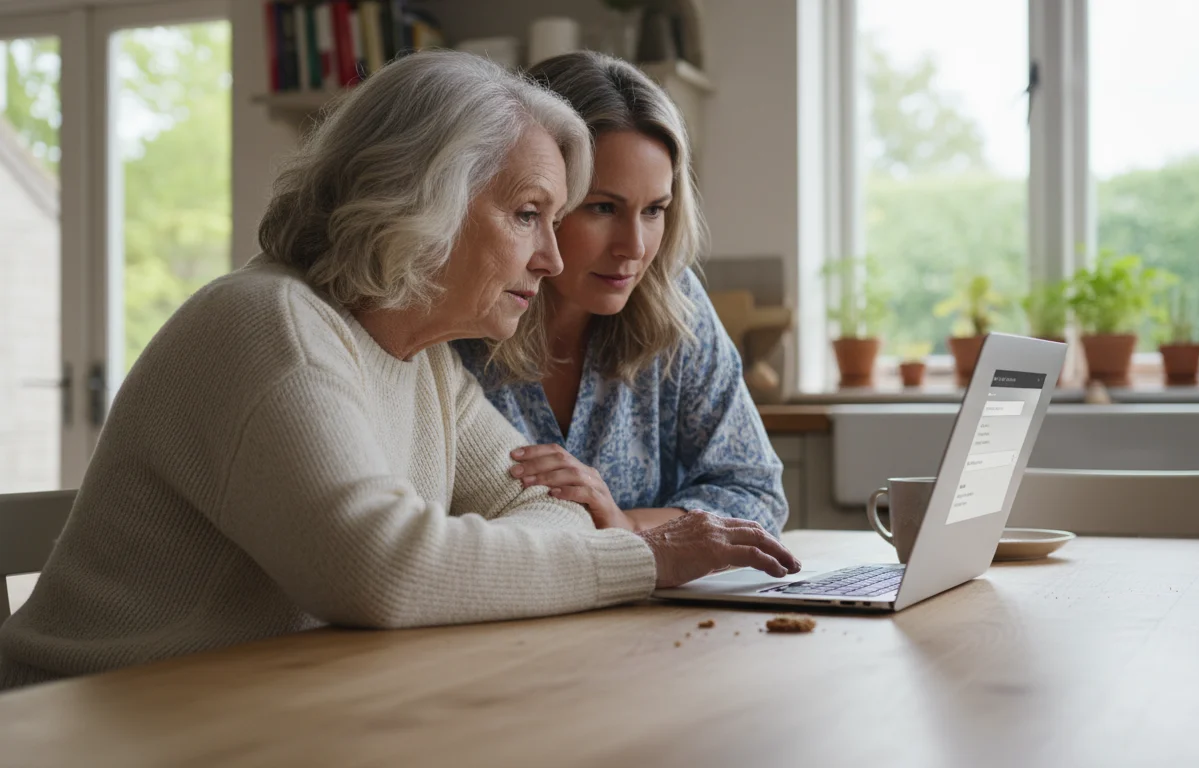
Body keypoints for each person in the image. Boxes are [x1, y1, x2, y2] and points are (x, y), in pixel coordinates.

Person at [0, 51, 799, 690]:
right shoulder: (269, 325)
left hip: (250, 706)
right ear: (421, 198)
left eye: (555, 220)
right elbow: (385, 570)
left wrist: (587, 534)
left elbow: (551, 508)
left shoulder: (421, 362)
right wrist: (640, 555)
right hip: (80, 721)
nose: (551, 256)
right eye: (528, 215)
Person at [455, 52, 788, 538]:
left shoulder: (677, 306)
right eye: (603, 207)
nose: (634, 247)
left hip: (645, 615)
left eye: (655, 210)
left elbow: (756, 494)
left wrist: (628, 525)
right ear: (534, 199)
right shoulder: (453, 323)